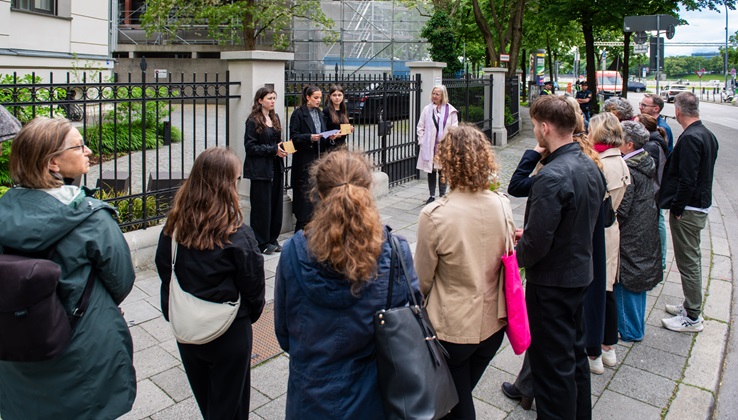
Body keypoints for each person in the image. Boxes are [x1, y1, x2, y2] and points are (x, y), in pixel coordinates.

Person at [0, 117, 136, 419]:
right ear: (53, 164)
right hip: (80, 352)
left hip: (18, 355)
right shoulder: (91, 219)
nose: (88, 150)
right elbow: (122, 281)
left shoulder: (4, 210)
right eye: (78, 146)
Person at [274, 149, 420, 419]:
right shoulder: (395, 252)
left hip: (310, 395)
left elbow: (284, 331)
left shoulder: (294, 251)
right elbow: (409, 320)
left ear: (318, 194)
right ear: (369, 190)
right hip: (373, 396)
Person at [501, 97, 608, 406]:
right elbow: (575, 221)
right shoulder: (589, 165)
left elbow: (536, 246)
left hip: (551, 285)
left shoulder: (551, 175)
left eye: (535, 126)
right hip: (579, 276)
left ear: (545, 128)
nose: (535, 130)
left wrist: (511, 263)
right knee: (574, 360)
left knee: (551, 369)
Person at [156, 147, 265, 420]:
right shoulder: (237, 233)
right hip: (229, 329)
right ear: (228, 185)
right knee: (232, 405)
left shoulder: (174, 226)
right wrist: (246, 316)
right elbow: (253, 286)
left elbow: (164, 270)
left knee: (207, 401)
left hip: (187, 327)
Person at [414, 124, 511, 419]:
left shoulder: (435, 215)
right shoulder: (501, 204)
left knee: (454, 403)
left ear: (446, 161)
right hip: (493, 323)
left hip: (453, 328)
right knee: (460, 393)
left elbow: (422, 279)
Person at [660, 92, 719, 333]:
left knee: (688, 262)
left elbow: (688, 178)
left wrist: (677, 208)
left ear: (678, 111)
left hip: (689, 209)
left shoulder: (692, 138)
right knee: (690, 259)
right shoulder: (706, 134)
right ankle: (689, 306)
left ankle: (693, 316)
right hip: (697, 205)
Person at [589, 112, 630, 370]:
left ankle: (594, 353)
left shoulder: (601, 164)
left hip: (597, 232)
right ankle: (608, 347)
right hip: (610, 229)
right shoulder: (620, 160)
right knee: (607, 289)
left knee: (596, 292)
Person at [616, 121, 663, 342]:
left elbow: (622, 208)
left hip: (632, 233)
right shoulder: (645, 160)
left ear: (629, 144)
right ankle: (634, 325)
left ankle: (630, 330)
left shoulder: (630, 169)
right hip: (643, 229)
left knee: (628, 280)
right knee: (637, 280)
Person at [244, 86, 288, 255]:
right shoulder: (253, 120)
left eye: (274, 98)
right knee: (262, 206)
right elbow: (250, 147)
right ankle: (260, 241)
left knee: (275, 204)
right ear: (260, 100)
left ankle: (272, 238)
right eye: (269, 98)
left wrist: (282, 149)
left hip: (276, 167)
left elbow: (277, 142)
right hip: (260, 170)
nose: (272, 101)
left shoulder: (274, 117)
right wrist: (272, 150)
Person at [289, 85, 337, 232]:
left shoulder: (320, 114)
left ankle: (315, 223)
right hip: (304, 159)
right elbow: (294, 137)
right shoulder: (298, 114)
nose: (318, 101)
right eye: (315, 98)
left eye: (320, 98)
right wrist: (309, 138)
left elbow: (323, 136)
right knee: (304, 193)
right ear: (307, 97)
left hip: (318, 159)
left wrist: (331, 137)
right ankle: (301, 225)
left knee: (316, 192)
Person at [634, 113, 669, 269]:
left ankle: (659, 261)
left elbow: (649, 173)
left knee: (657, 224)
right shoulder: (655, 142)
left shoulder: (651, 146)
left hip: (653, 195)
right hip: (654, 194)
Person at [416, 84, 459, 204]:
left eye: (437, 94)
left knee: (443, 171)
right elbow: (420, 127)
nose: (434, 96)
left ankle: (442, 195)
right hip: (430, 146)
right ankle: (431, 195)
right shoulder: (427, 109)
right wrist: (422, 141)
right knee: (431, 171)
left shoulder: (451, 111)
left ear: (443, 96)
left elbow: (454, 128)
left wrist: (449, 141)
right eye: (433, 94)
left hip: (444, 146)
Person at [322, 84, 353, 153]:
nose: (337, 98)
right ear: (330, 97)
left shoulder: (344, 111)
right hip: (330, 147)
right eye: (334, 95)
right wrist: (334, 135)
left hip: (342, 147)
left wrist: (349, 129)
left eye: (339, 95)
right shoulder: (326, 111)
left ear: (343, 96)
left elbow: (344, 131)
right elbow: (322, 131)